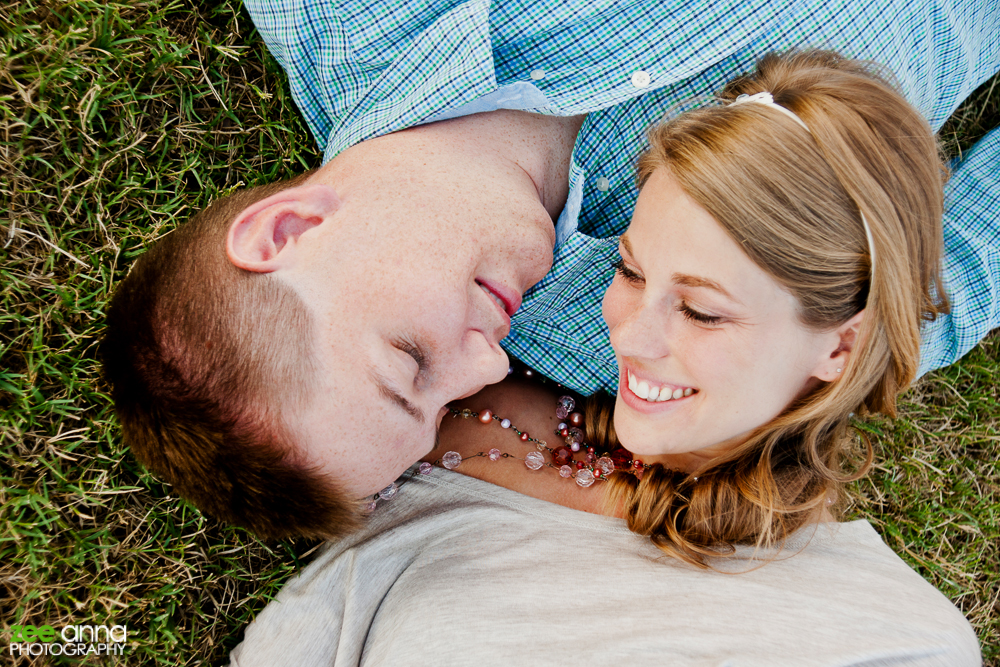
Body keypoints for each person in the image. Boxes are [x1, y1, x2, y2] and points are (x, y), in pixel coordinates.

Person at [100, 0, 1000, 541]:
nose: (490, 368)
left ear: (286, 229)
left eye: (412, 360)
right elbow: (926, 293)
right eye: (442, 404)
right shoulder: (634, 342)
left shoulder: (356, 20)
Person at [229, 51, 980, 665]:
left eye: (702, 310)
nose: (631, 334)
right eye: (629, 271)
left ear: (840, 345)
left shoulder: (883, 634)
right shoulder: (552, 292)